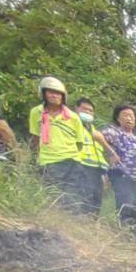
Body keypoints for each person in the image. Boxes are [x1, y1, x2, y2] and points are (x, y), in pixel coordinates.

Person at [28, 76, 90, 211]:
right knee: (52, 197)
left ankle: (71, 226)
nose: (54, 95)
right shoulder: (36, 113)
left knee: (72, 198)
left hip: (72, 161)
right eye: (50, 91)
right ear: (43, 93)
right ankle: (54, 224)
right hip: (49, 161)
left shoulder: (73, 117)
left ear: (63, 96)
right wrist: (34, 159)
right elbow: (35, 138)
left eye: (57, 93)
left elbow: (80, 143)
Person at [101, 104, 136, 237]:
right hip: (122, 175)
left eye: (132, 116)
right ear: (118, 118)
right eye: (125, 115)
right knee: (126, 205)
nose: (129, 118)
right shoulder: (114, 132)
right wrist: (110, 153)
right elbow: (98, 136)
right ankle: (124, 235)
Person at [73, 98, 114, 217]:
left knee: (96, 203)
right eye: (84, 109)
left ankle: (91, 226)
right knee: (83, 200)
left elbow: (99, 154)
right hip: (82, 167)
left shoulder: (94, 131)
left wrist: (104, 174)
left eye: (91, 111)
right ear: (76, 109)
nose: (88, 113)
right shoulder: (74, 126)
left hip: (97, 170)